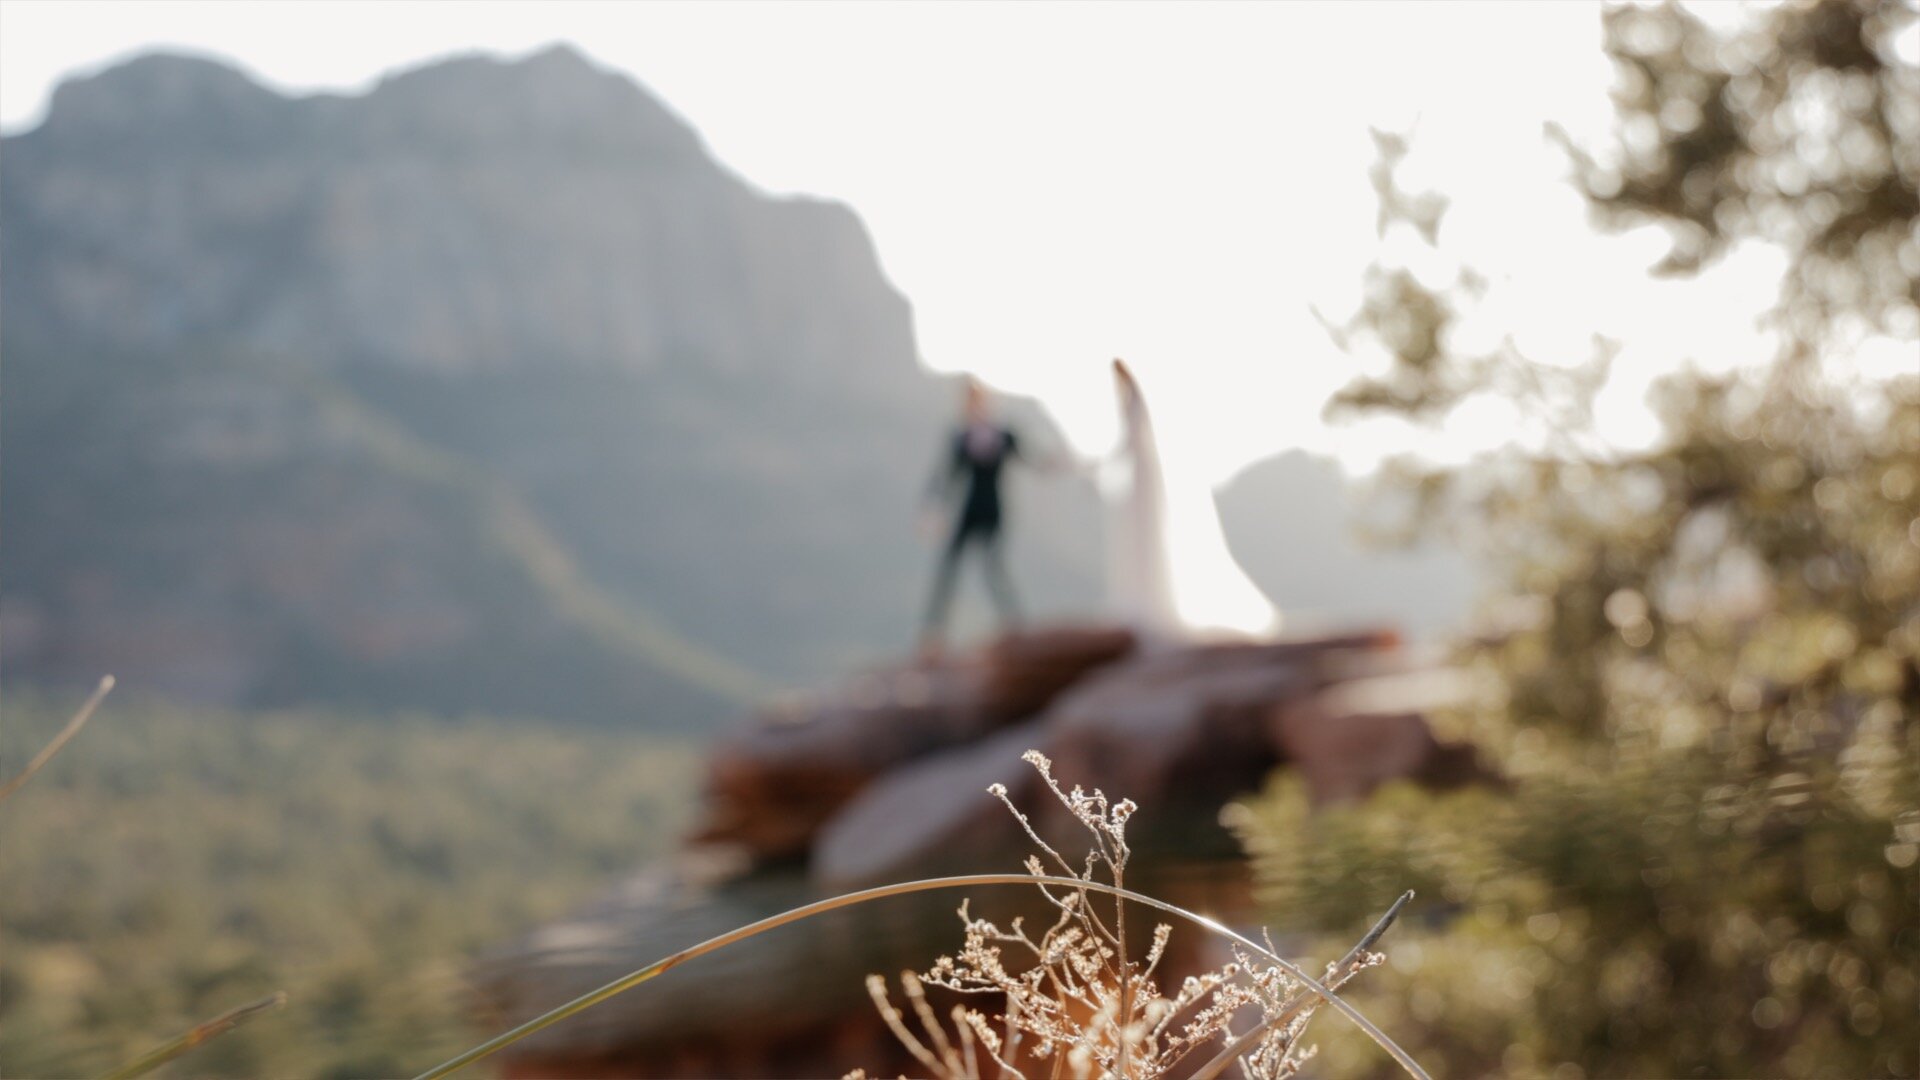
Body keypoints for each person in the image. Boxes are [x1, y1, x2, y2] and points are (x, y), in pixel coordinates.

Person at [919, 377, 1023, 653]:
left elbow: (1032, 458)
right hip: (970, 510)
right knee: (949, 568)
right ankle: (934, 634)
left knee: (992, 569)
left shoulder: (1002, 436)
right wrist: (933, 507)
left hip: (992, 510)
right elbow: (945, 476)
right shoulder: (962, 438)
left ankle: (1014, 626)